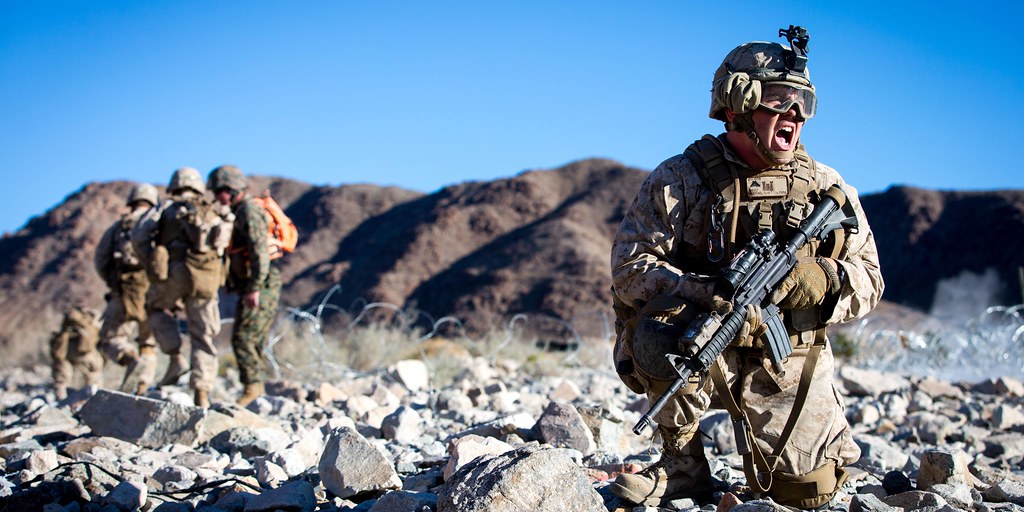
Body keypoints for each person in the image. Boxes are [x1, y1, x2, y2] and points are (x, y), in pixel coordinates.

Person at [609, 26, 883, 509]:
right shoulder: (681, 177)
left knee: (807, 493)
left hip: (785, 357)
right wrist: (698, 289)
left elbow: (871, 279)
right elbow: (630, 268)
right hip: (703, 339)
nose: (794, 117)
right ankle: (682, 469)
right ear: (738, 104)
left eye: (804, 104)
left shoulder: (825, 187)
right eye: (780, 101)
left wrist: (822, 279)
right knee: (654, 334)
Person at [133, 167, 233, 407]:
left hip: (172, 274)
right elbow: (223, 242)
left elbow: (139, 236)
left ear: (174, 185)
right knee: (203, 335)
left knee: (155, 310)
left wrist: (151, 261)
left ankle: (175, 354)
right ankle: (202, 392)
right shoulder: (213, 210)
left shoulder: (166, 209)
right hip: (206, 278)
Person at [207, 164, 282, 407]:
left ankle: (253, 389)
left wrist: (254, 287)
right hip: (256, 283)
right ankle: (256, 389)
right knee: (252, 337)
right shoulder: (242, 210)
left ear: (229, 190)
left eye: (218, 191)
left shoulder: (249, 211)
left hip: (262, 283)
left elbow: (259, 251)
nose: (216, 197)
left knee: (244, 337)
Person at [94, 183, 160, 394]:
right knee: (148, 343)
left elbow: (101, 259)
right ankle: (142, 387)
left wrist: (113, 281)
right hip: (154, 291)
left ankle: (130, 359)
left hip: (124, 290)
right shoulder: (159, 225)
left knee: (111, 339)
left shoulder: (119, 227)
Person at [50, 305, 104, 400]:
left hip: (64, 350)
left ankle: (60, 400)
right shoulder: (89, 322)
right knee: (94, 374)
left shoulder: (67, 324)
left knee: (62, 379)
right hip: (84, 352)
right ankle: (95, 398)